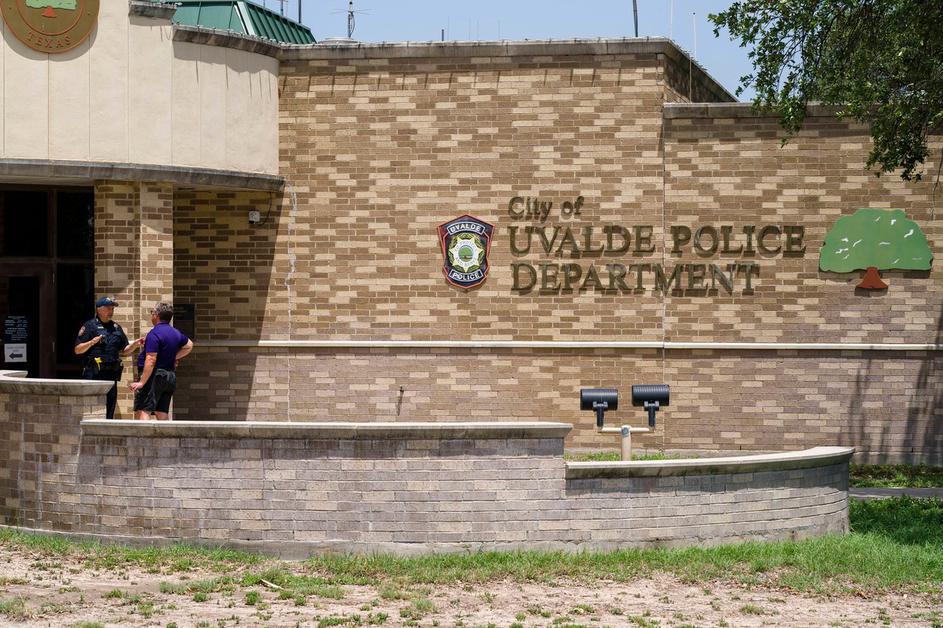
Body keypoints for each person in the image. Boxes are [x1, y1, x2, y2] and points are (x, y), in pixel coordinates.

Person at [74, 296, 144, 420]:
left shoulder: (116, 328)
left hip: (111, 375)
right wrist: (92, 342)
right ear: (99, 309)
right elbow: (77, 350)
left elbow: (124, 350)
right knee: (91, 408)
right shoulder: (90, 326)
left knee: (110, 409)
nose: (111, 311)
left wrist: (134, 345)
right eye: (108, 308)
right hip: (94, 375)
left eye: (112, 308)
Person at [130, 302, 193, 420]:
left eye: (152, 312)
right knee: (161, 412)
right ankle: (165, 433)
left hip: (154, 376)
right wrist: (174, 357)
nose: (151, 315)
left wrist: (142, 382)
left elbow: (151, 359)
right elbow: (189, 345)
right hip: (169, 376)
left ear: (156, 315)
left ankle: (144, 434)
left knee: (143, 410)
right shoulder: (175, 332)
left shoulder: (154, 334)